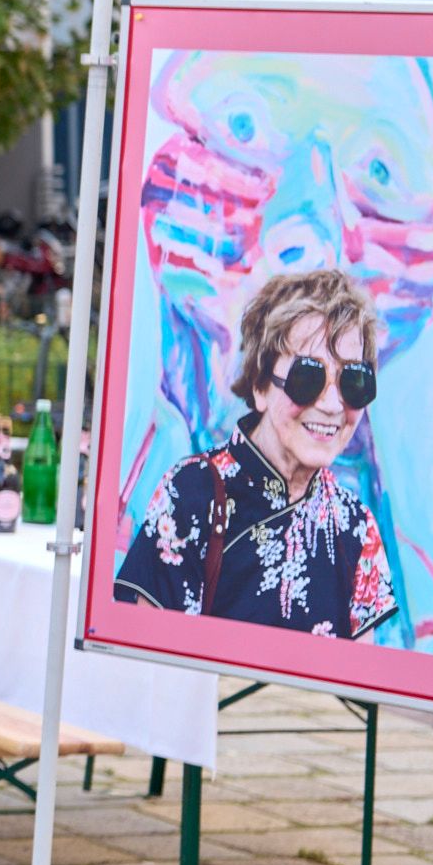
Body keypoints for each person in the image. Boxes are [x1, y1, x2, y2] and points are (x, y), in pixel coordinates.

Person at [113, 265, 400, 640]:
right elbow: (148, 657)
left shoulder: (356, 528)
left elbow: (357, 685)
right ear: (261, 386)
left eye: (354, 381)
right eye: (308, 377)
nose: (332, 405)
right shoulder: (191, 493)